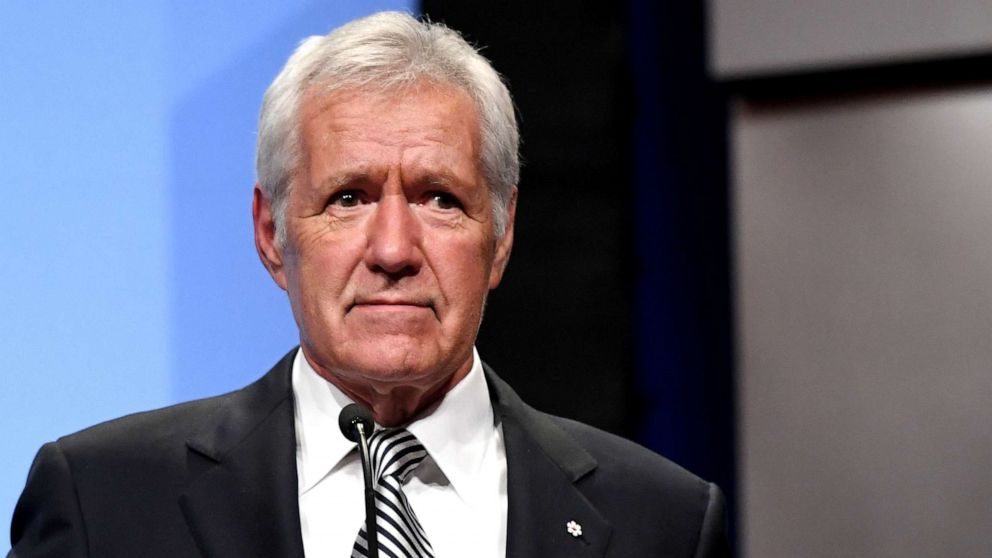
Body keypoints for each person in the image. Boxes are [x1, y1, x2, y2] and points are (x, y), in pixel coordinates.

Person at [8, 11, 729, 558]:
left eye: (439, 198)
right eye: (348, 198)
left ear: (502, 233)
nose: (393, 250)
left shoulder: (661, 521)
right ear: (271, 233)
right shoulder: (103, 503)